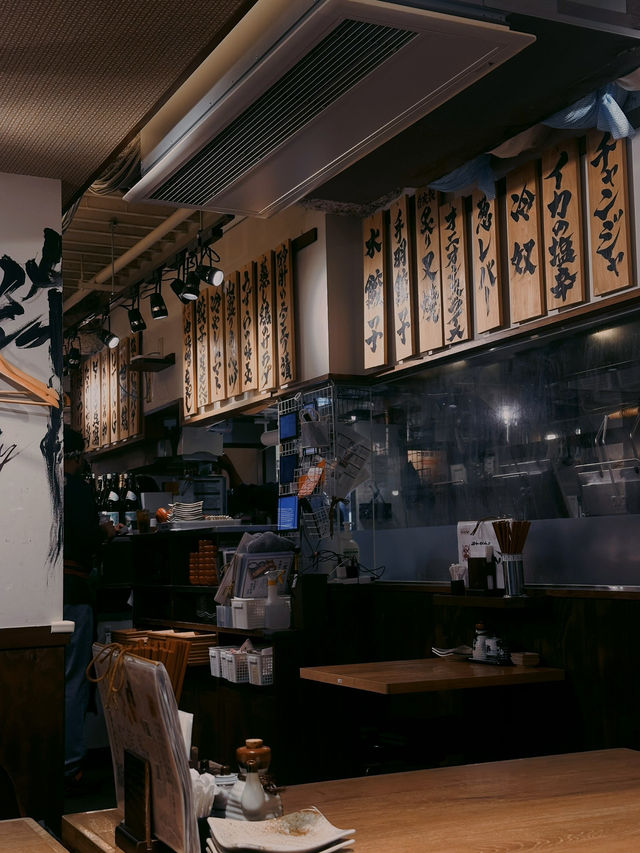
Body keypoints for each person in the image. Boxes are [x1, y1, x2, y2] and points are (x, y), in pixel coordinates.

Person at [63, 425, 124, 791]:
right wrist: (106, 533)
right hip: (74, 592)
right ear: (74, 456)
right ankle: (69, 765)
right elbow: (86, 536)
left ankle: (43, 757)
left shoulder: (37, 484)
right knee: (72, 679)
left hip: (41, 595)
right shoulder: (78, 490)